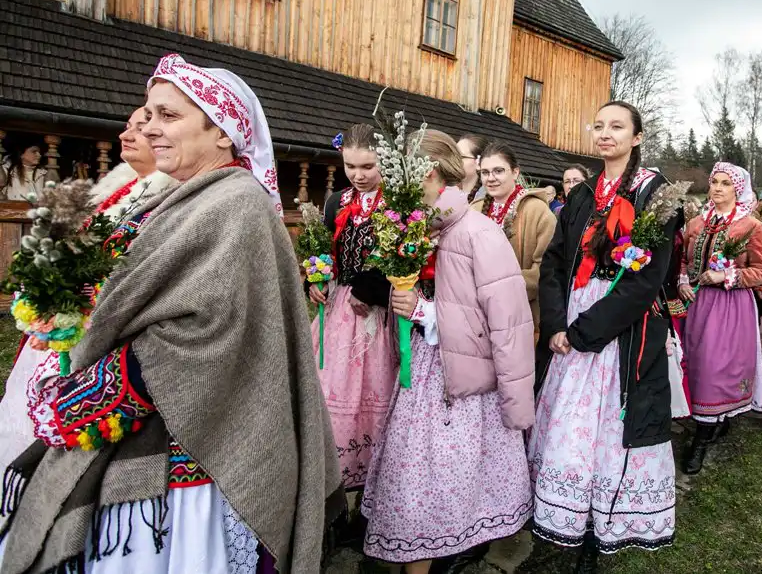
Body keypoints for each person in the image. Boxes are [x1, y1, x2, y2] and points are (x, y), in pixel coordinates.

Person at [0, 54, 339, 572]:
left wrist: (88, 397)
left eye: (169, 116)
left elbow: (203, 335)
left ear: (223, 133)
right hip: (141, 427)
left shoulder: (236, 205)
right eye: (149, 115)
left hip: (191, 448)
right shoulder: (173, 199)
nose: (151, 128)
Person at [360, 129, 534, 574]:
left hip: (459, 379)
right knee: (417, 478)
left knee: (441, 481)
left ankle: (435, 554)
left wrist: (422, 310)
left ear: (431, 173)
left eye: (402, 178)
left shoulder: (479, 233)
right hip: (422, 367)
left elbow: (505, 320)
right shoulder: (419, 227)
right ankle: (424, 555)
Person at [531, 101, 680, 570]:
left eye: (617, 127)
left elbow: (646, 281)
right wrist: (556, 325)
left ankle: (599, 530)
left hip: (618, 330)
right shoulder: (582, 193)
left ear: (637, 137)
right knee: (568, 426)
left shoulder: (655, 194)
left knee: (606, 432)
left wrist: (582, 333)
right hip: (571, 318)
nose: (605, 134)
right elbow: (555, 261)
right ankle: (566, 513)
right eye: (599, 126)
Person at [0, 108, 176, 505]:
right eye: (128, 126)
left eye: (141, 128)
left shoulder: (160, 200)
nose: (127, 134)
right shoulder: (115, 188)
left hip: (101, 333)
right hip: (66, 324)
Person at [309, 124, 394, 535]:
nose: (358, 175)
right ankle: (334, 494)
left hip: (377, 316)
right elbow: (323, 248)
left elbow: (403, 258)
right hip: (339, 311)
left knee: (373, 394)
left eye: (367, 166)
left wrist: (374, 290)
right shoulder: (335, 202)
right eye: (350, 166)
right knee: (333, 391)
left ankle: (371, 500)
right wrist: (316, 278)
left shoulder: (398, 202)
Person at [676, 163, 762, 474]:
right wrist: (682, 281)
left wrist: (726, 275)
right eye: (714, 182)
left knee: (715, 369)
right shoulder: (695, 223)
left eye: (725, 183)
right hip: (694, 303)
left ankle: (701, 440)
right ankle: (710, 422)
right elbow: (682, 260)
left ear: (738, 189)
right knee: (692, 364)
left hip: (729, 307)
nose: (717, 188)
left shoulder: (751, 227)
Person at [472, 141, 557, 335]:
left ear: (515, 172)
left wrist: (500, 288)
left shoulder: (538, 211)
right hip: (477, 315)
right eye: (485, 173)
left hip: (520, 315)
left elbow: (545, 269)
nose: (490, 178)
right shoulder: (474, 210)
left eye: (498, 171)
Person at [456, 133, 488, 202]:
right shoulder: (446, 192)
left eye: (461, 157)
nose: (455, 161)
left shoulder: (487, 200)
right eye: (454, 156)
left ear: (479, 162)